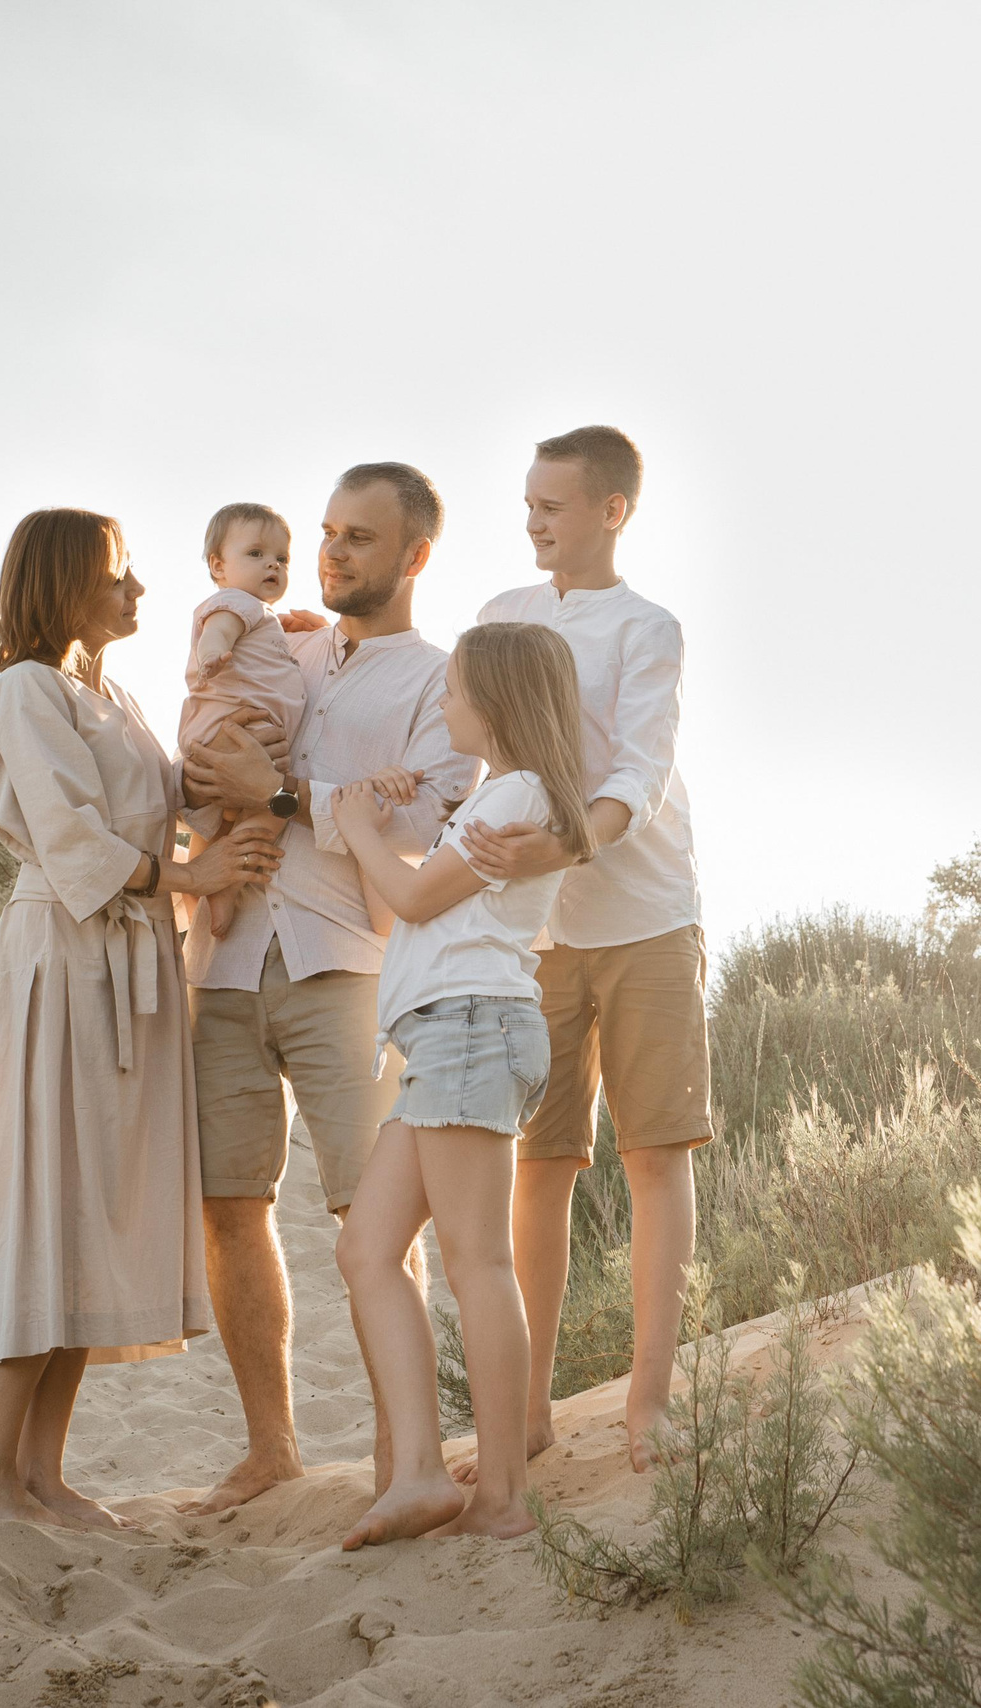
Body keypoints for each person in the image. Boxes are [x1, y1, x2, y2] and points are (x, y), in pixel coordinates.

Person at [0, 508, 285, 1531]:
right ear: (65, 584)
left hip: (132, 957)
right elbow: (68, 834)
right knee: (57, 1198)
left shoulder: (115, 694)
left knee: (95, 1206)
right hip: (66, 957)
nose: (139, 593)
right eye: (120, 575)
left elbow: (167, 788)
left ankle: (39, 1474)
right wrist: (193, 870)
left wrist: (280, 666)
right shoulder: (25, 691)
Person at [175, 464, 482, 1515]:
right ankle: (272, 1450)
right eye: (326, 532)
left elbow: (417, 832)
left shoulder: (440, 683)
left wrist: (280, 794)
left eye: (359, 537)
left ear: (414, 555)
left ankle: (406, 1453)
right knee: (229, 1201)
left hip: (347, 963)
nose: (332, 553)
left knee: (377, 1213)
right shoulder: (286, 641)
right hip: (221, 962)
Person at [463, 426, 710, 1475]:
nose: (532, 521)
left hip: (646, 915)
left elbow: (641, 768)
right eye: (526, 504)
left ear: (611, 509)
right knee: (541, 1163)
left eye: (551, 506)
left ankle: (648, 1404)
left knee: (653, 1155)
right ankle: (521, 1415)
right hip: (535, 931)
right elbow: (461, 735)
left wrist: (570, 840)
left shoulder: (648, 628)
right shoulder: (500, 616)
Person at [331, 621, 597, 1546]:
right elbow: (408, 913)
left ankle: (502, 1499)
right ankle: (416, 1474)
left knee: (475, 1261)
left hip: (471, 1031)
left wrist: (358, 827)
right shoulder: (500, 796)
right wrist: (393, 826)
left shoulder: (520, 791)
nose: (441, 703)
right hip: (448, 1037)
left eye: (451, 689)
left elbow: (407, 900)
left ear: (496, 701)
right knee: (367, 1249)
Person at [176, 502, 307, 940]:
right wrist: (211, 653)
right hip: (237, 726)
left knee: (244, 811)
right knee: (275, 803)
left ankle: (217, 878)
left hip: (234, 729)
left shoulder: (262, 615)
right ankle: (229, 880)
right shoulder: (235, 602)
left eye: (282, 558)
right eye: (255, 553)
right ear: (219, 565)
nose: (272, 563)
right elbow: (219, 631)